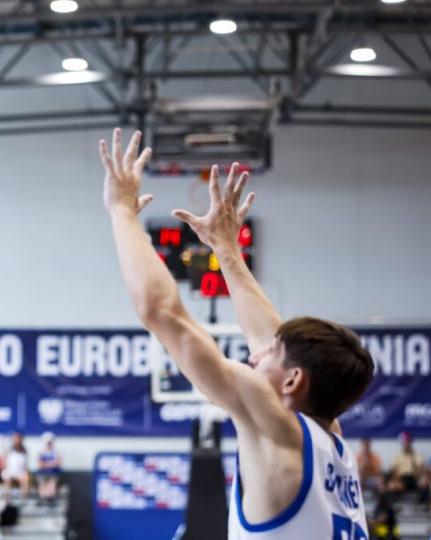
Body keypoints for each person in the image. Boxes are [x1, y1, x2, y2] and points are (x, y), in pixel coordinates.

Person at [100, 128, 374, 539]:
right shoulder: (331, 442)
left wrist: (121, 211)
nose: (255, 354)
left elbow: (161, 312)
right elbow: (273, 340)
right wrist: (226, 250)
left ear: (293, 380)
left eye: (270, 354)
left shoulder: (276, 426)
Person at [1, 432, 30, 503]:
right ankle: (8, 499)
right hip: (9, 471)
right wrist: (5, 468)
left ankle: (23, 499)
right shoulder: (8, 450)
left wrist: (26, 472)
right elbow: (3, 461)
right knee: (7, 478)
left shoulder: (24, 451)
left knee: (25, 477)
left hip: (19, 472)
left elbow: (25, 465)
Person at [35, 431, 62, 506]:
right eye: (47, 442)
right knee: (42, 483)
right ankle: (43, 498)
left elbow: (58, 464)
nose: (49, 444)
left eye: (50, 442)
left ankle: (50, 499)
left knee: (52, 484)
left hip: (53, 474)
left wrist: (45, 464)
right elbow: (40, 465)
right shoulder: (41, 452)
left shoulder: (56, 452)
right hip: (43, 474)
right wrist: (52, 464)